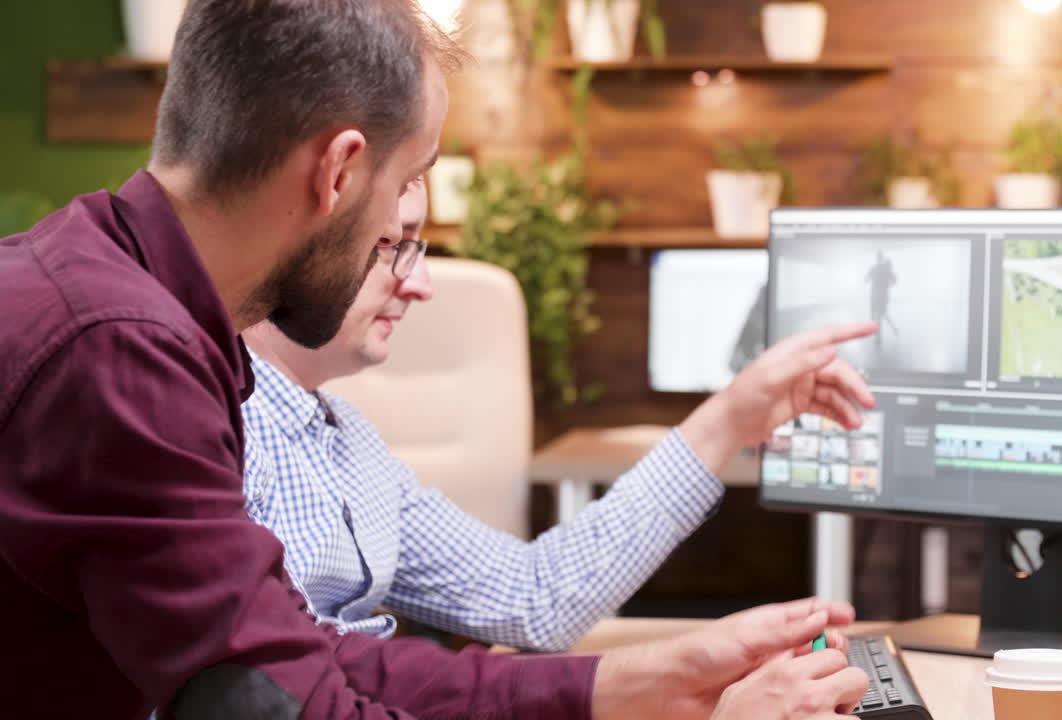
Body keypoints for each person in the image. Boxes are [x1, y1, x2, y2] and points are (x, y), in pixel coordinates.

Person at [0, 1, 873, 718]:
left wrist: (635, 683)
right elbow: (283, 706)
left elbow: (311, 663)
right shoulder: (118, 352)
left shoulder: (108, 297)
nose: (414, 270)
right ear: (339, 173)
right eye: (403, 194)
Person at [241, 180, 881, 651]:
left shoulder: (347, 442)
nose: (422, 284)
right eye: (391, 245)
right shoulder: (221, 435)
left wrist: (730, 421)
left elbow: (533, 597)